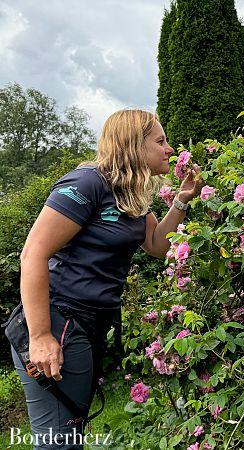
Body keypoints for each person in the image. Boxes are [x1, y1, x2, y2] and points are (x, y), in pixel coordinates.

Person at [9, 109, 203, 449]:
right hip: (58, 322)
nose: (169, 149)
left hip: (86, 326)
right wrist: (40, 336)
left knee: (68, 437)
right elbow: (33, 255)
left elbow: (157, 244)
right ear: (133, 146)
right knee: (59, 442)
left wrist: (182, 201)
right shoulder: (87, 183)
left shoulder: (130, 194)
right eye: (160, 141)